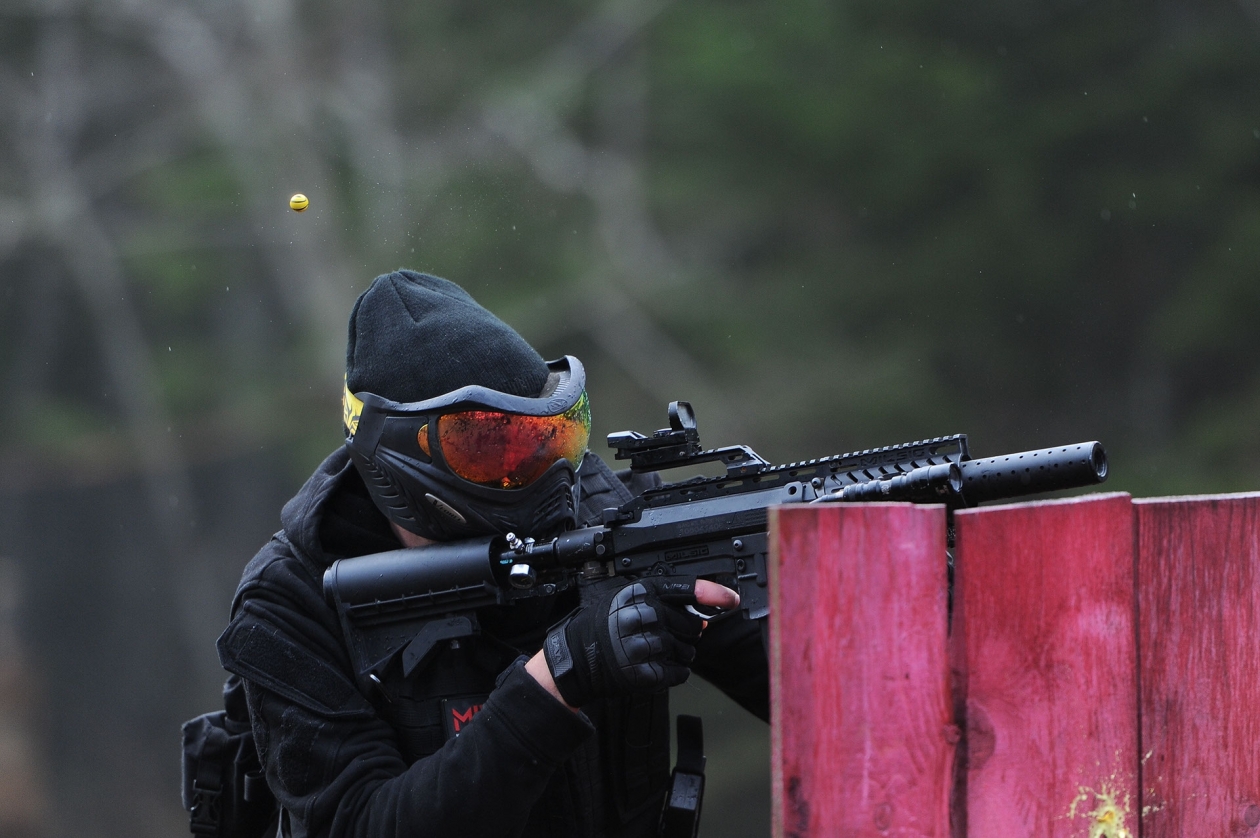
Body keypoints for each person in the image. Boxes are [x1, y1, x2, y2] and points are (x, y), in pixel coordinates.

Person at [215, 270, 768, 838]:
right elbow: (362, 824)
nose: (543, 478)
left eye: (552, 438)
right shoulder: (290, 607)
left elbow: (827, 695)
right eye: (492, 447)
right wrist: (561, 676)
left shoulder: (615, 522)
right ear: (400, 459)